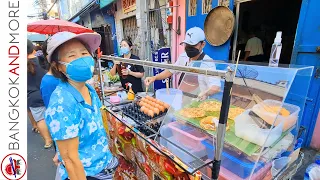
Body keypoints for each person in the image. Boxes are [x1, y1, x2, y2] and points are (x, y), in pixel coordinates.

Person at [45, 31, 118, 180]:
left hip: (102, 166)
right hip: (86, 174)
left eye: (84, 53)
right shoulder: (62, 102)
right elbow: (71, 160)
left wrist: (62, 147)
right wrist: (64, 152)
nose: (82, 59)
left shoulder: (88, 89)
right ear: (58, 66)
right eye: (72, 55)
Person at [145, 27, 221, 100]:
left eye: (193, 45)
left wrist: (205, 93)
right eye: (187, 45)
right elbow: (171, 70)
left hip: (198, 102)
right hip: (183, 99)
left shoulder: (207, 63)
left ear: (203, 44)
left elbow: (216, 87)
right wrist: (154, 78)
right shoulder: (184, 56)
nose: (189, 48)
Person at [27, 39, 53, 148]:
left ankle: (47, 141)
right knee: (52, 115)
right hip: (48, 92)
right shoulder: (42, 60)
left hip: (33, 97)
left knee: (40, 119)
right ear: (33, 48)